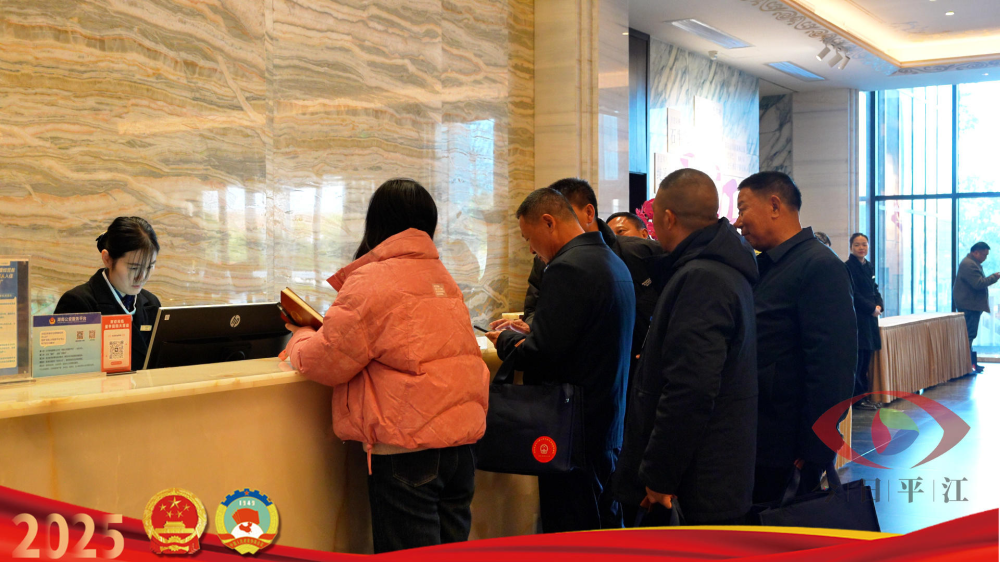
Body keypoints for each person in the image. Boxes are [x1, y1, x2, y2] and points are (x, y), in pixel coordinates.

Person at [280, 179, 489, 554]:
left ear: (376, 222)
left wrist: (300, 336)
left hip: (407, 450)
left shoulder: (373, 279)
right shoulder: (443, 277)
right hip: (462, 449)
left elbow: (324, 361)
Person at [614, 169, 758, 527]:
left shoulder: (703, 278)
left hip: (696, 482)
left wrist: (660, 475)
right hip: (706, 473)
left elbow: (690, 388)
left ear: (668, 218)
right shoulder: (719, 268)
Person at [486, 187, 635, 533]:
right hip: (605, 421)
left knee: (572, 528)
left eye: (529, 238)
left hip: (572, 429)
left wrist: (506, 340)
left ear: (548, 222)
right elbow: (581, 336)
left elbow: (541, 354)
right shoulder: (610, 259)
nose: (530, 249)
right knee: (603, 520)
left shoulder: (567, 267)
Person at [732, 171, 856, 503]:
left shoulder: (819, 266)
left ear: (774, 205)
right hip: (759, 439)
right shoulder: (768, 265)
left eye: (743, 209)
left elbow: (833, 367)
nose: (738, 222)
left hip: (788, 449)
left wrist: (815, 447)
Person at [523, 179, 661, 382]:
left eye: (568, 213)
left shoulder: (635, 251)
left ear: (588, 213)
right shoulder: (546, 259)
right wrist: (538, 327)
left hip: (633, 371)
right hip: (586, 377)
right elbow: (535, 309)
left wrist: (657, 345)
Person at [55, 217, 161, 370]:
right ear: (107, 259)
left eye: (150, 267)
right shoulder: (77, 302)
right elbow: (65, 370)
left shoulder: (151, 302)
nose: (142, 277)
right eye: (134, 268)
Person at [845, 233, 883, 409]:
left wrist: (880, 305)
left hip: (870, 318)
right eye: (857, 245)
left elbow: (874, 289)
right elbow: (854, 294)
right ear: (851, 247)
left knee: (867, 357)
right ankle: (857, 399)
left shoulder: (868, 266)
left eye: (864, 244)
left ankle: (865, 396)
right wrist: (871, 308)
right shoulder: (848, 267)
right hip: (859, 317)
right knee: (859, 359)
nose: (861, 248)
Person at [954, 241, 1000, 373]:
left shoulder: (972, 263)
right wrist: (995, 276)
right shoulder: (969, 264)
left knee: (970, 335)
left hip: (971, 305)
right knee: (968, 335)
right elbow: (978, 284)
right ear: (976, 252)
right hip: (969, 305)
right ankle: (966, 366)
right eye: (984, 255)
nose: (985, 258)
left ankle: (970, 364)